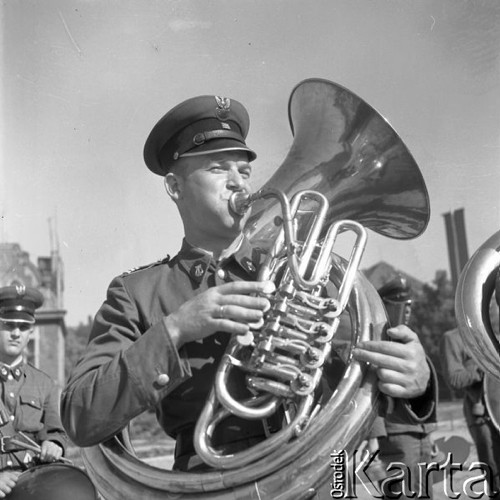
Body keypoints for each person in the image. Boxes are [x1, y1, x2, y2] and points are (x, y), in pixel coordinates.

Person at [61, 94, 435, 474]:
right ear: (175, 187)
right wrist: (175, 329)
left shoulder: (305, 272)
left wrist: (415, 380)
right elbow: (79, 414)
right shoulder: (138, 293)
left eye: (244, 171)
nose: (238, 183)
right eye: (219, 169)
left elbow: (363, 370)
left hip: (321, 474)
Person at [366, 276, 438, 499]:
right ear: (384, 305)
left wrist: (430, 433)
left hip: (419, 434)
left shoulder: (409, 341)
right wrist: (372, 440)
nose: (406, 310)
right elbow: (369, 392)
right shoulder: (376, 340)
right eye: (399, 305)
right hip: (395, 435)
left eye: (408, 305)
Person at [0, 284, 67, 498]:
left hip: (33, 489)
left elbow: (55, 432)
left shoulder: (44, 384)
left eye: (23, 327)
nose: (15, 333)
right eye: (8, 325)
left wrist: (54, 445)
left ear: (31, 333)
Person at [441, 326, 500, 497]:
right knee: (495, 471)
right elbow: (454, 379)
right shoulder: (452, 338)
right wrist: (483, 369)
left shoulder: (493, 334)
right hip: (482, 416)